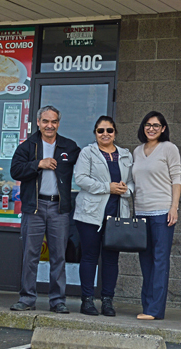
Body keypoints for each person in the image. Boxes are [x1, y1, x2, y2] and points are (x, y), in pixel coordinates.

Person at [9, 105, 80, 313]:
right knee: (30, 255)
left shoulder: (69, 146)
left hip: (59, 208)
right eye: (46, 121)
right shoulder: (28, 146)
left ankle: (58, 300)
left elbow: (86, 165)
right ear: (39, 123)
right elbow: (15, 170)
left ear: (58, 123)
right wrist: (38, 163)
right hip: (35, 207)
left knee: (59, 255)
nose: (50, 125)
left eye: (54, 121)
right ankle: (27, 298)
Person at [72, 116, 134, 317]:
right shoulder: (87, 153)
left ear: (115, 132)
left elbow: (133, 182)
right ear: (95, 133)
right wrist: (108, 187)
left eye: (109, 130)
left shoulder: (126, 155)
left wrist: (125, 190)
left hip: (116, 215)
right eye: (101, 130)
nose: (105, 134)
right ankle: (87, 300)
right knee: (89, 257)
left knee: (111, 260)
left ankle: (108, 301)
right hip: (90, 214)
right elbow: (80, 179)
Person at [132, 111, 181, 320]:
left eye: (156, 125)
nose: (151, 128)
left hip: (162, 212)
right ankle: (147, 306)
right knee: (145, 261)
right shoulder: (137, 151)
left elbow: (176, 179)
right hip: (141, 212)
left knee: (160, 260)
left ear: (163, 129)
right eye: (147, 124)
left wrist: (174, 207)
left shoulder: (169, 148)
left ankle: (155, 310)